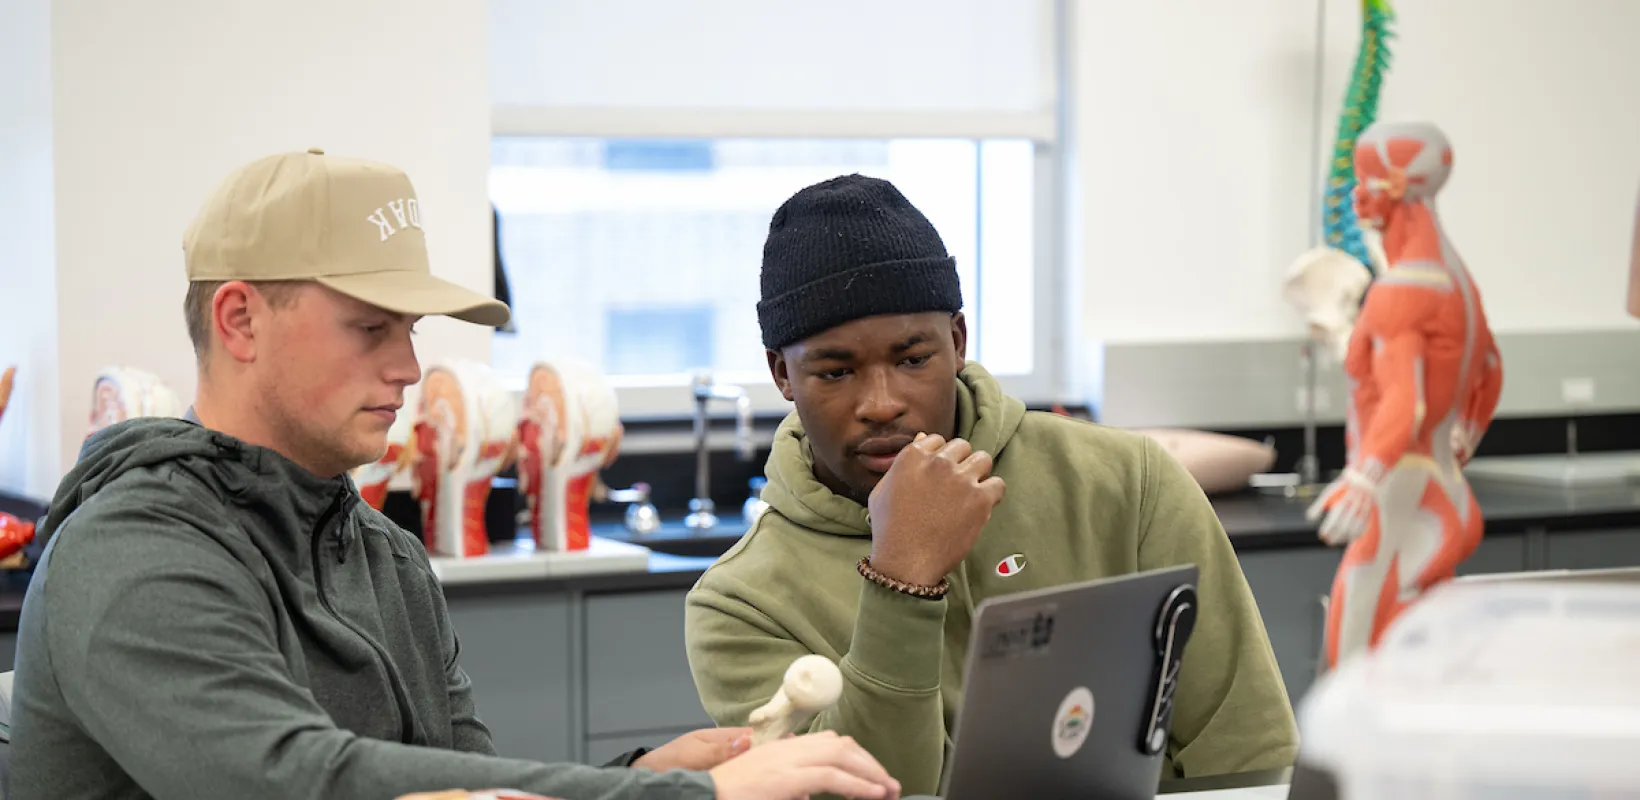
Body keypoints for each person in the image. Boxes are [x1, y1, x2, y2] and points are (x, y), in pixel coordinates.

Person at [7, 149, 901, 800]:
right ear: (240, 320)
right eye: (371, 328)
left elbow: (462, 789)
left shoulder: (385, 558)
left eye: (411, 332)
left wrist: (641, 776)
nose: (407, 367)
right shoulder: (130, 552)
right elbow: (290, 777)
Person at [683, 174, 1300, 796]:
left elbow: (1245, 741)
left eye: (912, 358)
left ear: (956, 342)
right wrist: (902, 576)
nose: (881, 403)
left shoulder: (1124, 483)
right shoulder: (741, 605)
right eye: (836, 371)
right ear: (782, 374)